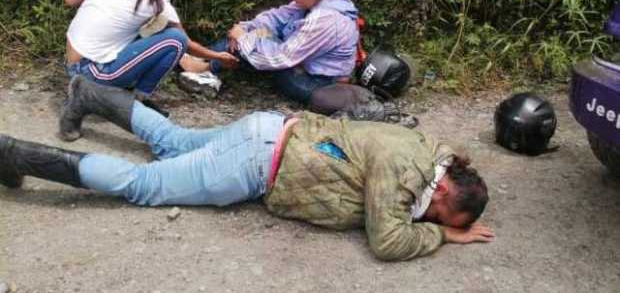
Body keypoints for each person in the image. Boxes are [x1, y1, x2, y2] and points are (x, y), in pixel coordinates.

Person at [0, 76, 494, 261]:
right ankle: (15, 154)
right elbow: (388, 240)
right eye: (438, 214)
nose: (427, 217)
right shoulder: (406, 173)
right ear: (446, 191)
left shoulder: (428, 147)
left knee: (174, 141)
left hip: (268, 131)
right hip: (260, 163)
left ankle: (90, 92)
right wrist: (440, 238)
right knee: (145, 185)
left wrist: (444, 221)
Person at [63, 0, 236, 126]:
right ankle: (136, 104)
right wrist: (218, 57)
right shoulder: (157, 0)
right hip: (91, 72)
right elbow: (186, 43)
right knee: (174, 39)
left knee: (149, 30)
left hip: (71, 62)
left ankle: (115, 94)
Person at [205, 0, 359, 103]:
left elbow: (280, 58)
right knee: (257, 33)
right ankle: (202, 61)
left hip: (319, 83)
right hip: (298, 61)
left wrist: (243, 39)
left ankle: (204, 64)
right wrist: (245, 28)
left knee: (252, 45)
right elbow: (276, 17)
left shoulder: (325, 20)